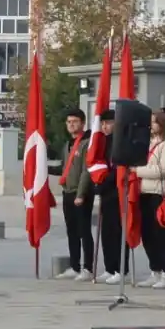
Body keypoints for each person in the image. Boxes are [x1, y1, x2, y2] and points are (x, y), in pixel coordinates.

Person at [88, 105, 126, 285]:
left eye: (108, 123)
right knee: (107, 232)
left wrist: (104, 182)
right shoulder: (104, 142)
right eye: (102, 123)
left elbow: (118, 168)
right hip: (106, 192)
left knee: (118, 231)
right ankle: (109, 267)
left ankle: (120, 268)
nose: (104, 127)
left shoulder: (120, 142)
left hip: (117, 191)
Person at [56, 108, 95, 281]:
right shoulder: (68, 144)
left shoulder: (86, 143)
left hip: (82, 193)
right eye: (69, 122)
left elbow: (86, 171)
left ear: (82, 123)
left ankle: (87, 268)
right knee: (71, 230)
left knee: (84, 231)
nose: (71, 125)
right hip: (67, 192)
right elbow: (64, 168)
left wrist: (81, 194)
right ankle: (74, 265)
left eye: (75, 122)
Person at [134, 123, 165, 290]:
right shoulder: (147, 143)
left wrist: (137, 170)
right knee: (147, 234)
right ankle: (154, 270)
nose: (151, 126)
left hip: (158, 193)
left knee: (159, 234)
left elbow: (162, 170)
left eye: (155, 122)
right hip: (144, 192)